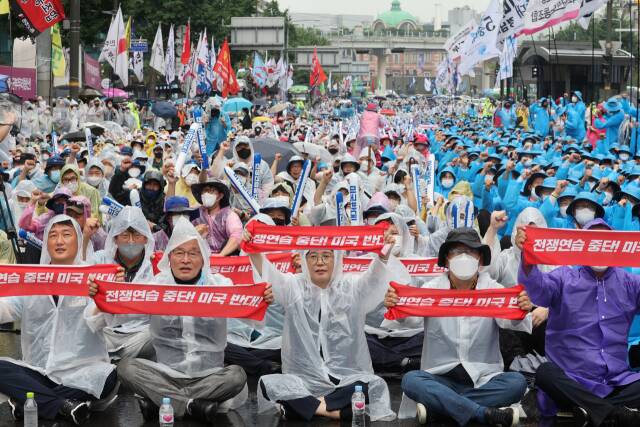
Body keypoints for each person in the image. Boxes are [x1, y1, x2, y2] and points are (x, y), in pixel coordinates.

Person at [96, 218, 270, 423]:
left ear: (203, 258)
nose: (185, 259)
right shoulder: (156, 286)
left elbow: (252, 316)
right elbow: (120, 316)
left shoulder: (220, 285)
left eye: (193, 253)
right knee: (126, 367)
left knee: (236, 375)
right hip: (165, 373)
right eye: (179, 253)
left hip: (208, 376)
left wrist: (262, 298)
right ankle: (191, 405)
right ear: (169, 258)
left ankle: (164, 400)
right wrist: (109, 292)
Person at [245, 226, 398, 422]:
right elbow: (270, 275)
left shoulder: (351, 287)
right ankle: (333, 410)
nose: (320, 262)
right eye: (313, 256)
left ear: (337, 259)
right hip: (304, 380)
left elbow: (374, 278)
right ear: (304, 260)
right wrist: (253, 247)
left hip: (345, 378)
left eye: (327, 256)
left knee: (369, 385)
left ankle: (306, 407)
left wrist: (384, 252)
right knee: (268, 384)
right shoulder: (293, 287)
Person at [390, 227, 532, 426]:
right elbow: (410, 320)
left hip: (483, 378)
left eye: (471, 251)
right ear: (446, 258)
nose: (464, 257)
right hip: (440, 376)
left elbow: (510, 322)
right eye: (457, 251)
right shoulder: (431, 290)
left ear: (481, 259)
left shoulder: (493, 290)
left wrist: (521, 308)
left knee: (516, 383)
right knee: (411, 380)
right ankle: (482, 413)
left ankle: (445, 409)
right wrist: (398, 303)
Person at [517, 218, 640, 426]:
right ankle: (614, 414)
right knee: (545, 373)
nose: (599, 248)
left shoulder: (629, 282)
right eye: (593, 242)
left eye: (605, 242)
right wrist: (528, 256)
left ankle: (592, 411)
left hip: (616, 380)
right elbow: (536, 289)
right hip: (572, 378)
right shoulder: (565, 277)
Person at [0, 215, 120, 425]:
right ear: (46, 243)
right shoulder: (32, 279)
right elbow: (6, 309)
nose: (59, 241)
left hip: (82, 371)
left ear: (78, 240)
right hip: (40, 371)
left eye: (66, 235)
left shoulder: (91, 278)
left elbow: (98, 321)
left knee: (108, 377)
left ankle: (31, 401)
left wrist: (104, 297)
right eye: (53, 235)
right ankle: (62, 406)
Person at [87, 206, 155, 360]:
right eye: (125, 236)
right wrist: (106, 295)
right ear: (115, 238)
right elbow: (86, 309)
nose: (131, 242)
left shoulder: (155, 265)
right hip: (105, 331)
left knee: (157, 333)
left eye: (137, 235)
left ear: (146, 238)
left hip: (142, 335)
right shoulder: (100, 261)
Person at [191, 178, 243, 256]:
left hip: (224, 258)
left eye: (212, 191)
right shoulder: (195, 213)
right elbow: (182, 234)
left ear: (220, 196)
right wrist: (194, 232)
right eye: (205, 190)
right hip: (200, 257)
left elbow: (236, 235)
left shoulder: (229, 215)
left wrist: (221, 255)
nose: (207, 193)